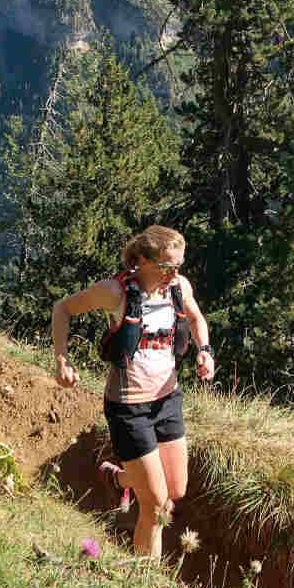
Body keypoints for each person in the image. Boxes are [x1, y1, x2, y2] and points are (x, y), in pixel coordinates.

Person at [52, 225, 215, 558]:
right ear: (141, 260)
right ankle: (146, 583)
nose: (174, 273)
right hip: (129, 407)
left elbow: (197, 320)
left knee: (177, 490)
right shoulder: (115, 292)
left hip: (168, 400)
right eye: (167, 265)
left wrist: (206, 350)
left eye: (178, 265)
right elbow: (63, 309)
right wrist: (62, 360)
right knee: (156, 505)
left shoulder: (179, 288)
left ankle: (119, 480)